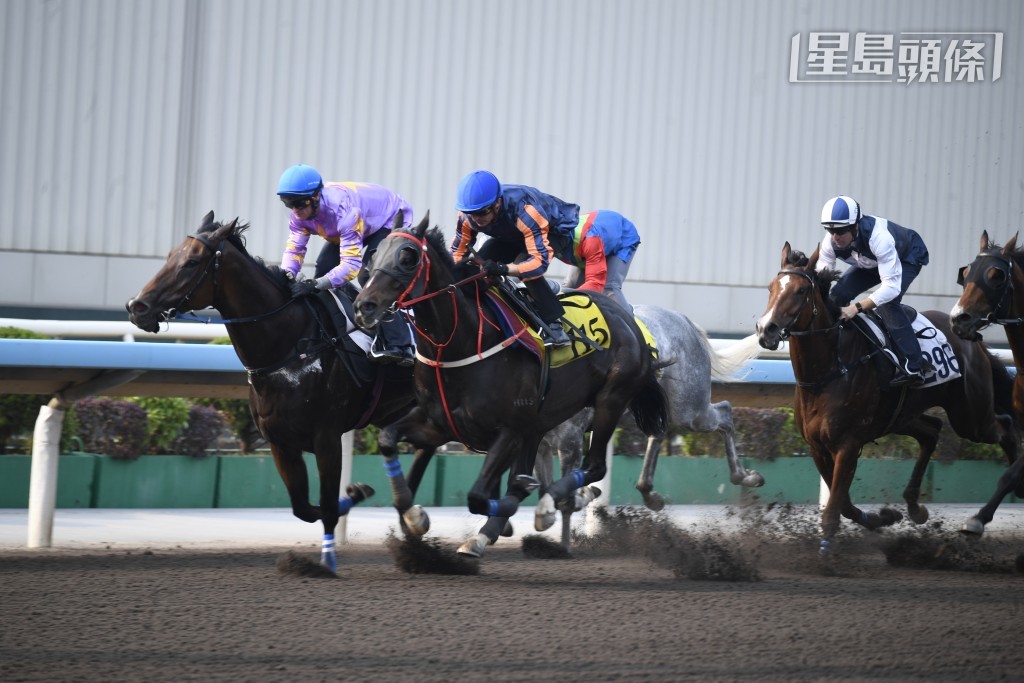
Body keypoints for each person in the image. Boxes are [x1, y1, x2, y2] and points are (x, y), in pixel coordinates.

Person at [277, 163, 415, 366]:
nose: (295, 210)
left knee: (369, 276)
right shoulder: (300, 215)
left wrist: (316, 284)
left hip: (389, 218)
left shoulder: (343, 210)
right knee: (323, 270)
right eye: (288, 204)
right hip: (356, 224)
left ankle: (400, 345)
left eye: (298, 203)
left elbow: (351, 266)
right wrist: (286, 275)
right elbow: (294, 250)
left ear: (316, 197)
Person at [814, 195, 933, 386]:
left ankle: (915, 366)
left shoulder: (880, 238)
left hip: (906, 256)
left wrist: (856, 308)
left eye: (841, 231)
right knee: (836, 297)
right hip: (871, 262)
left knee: (887, 303)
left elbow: (891, 288)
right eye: (830, 230)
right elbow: (822, 282)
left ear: (855, 226)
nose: (835, 237)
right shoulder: (830, 242)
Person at [553, 210, 640, 314]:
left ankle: (630, 321)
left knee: (609, 288)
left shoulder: (590, 240)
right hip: (589, 245)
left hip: (622, 238)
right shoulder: (542, 241)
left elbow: (596, 283)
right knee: (569, 285)